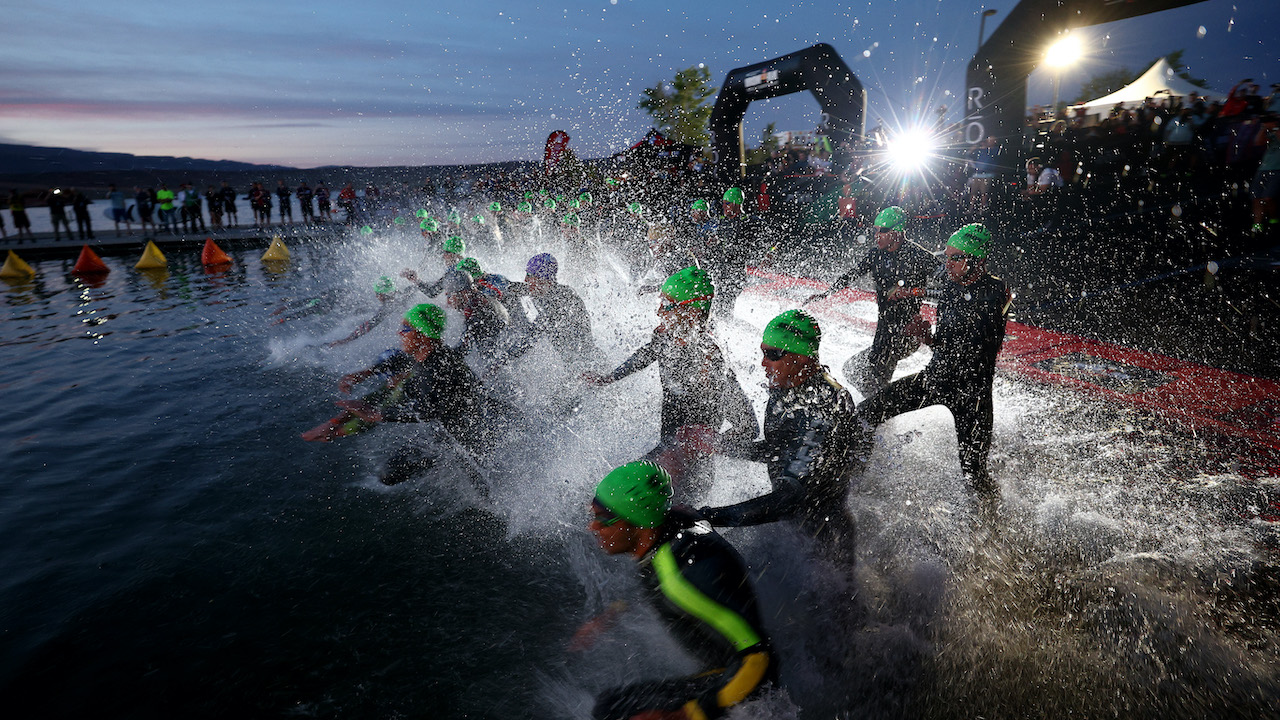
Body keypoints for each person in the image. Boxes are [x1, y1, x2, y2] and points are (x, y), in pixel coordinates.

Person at [584, 461, 776, 720]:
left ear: (638, 524)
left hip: (743, 687)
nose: (593, 527)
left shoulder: (679, 575)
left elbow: (759, 658)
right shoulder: (673, 524)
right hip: (726, 674)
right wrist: (613, 612)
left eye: (604, 519)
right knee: (612, 705)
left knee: (616, 712)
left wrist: (685, 715)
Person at [854, 223, 1011, 519]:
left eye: (955, 258)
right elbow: (945, 340)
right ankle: (855, 485)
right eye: (947, 257)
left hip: (972, 394)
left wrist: (929, 337)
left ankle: (993, 522)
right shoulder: (952, 283)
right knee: (865, 413)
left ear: (976, 261)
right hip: (935, 378)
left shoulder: (995, 292)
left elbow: (974, 345)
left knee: (973, 473)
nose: (947, 265)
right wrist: (924, 332)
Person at [697, 310, 859, 563]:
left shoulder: (824, 406)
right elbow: (781, 450)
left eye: (773, 354)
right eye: (763, 352)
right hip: (796, 530)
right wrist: (721, 446)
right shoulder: (787, 386)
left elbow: (792, 499)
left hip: (823, 545)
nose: (764, 363)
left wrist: (709, 516)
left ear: (804, 357)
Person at [583, 266, 756, 499]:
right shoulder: (667, 336)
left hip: (689, 477)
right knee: (607, 499)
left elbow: (748, 426)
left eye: (665, 305)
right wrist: (610, 377)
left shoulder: (710, 360)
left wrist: (714, 441)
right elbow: (646, 353)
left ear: (691, 313)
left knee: (613, 500)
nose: (658, 312)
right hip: (665, 458)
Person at [302, 304, 501, 488]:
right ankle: (440, 461)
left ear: (423, 334)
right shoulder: (424, 356)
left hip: (473, 437)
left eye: (406, 328)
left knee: (390, 473)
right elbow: (396, 364)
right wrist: (362, 375)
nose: (399, 332)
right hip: (451, 428)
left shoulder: (438, 368)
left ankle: (446, 462)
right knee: (387, 473)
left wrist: (377, 415)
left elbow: (430, 411)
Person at [805, 206, 940, 396]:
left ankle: (884, 413)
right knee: (854, 371)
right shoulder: (876, 254)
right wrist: (826, 293)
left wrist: (911, 292)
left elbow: (951, 289)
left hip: (904, 335)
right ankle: (885, 410)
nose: (877, 236)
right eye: (875, 231)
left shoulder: (918, 256)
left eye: (883, 231)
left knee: (872, 383)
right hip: (884, 332)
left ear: (898, 232)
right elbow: (852, 274)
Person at [503, 253, 602, 369]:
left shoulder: (561, 301)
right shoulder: (544, 289)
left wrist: (504, 359)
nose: (526, 279)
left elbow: (532, 335)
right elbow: (518, 288)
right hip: (577, 363)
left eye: (530, 275)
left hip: (588, 365)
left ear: (543, 279)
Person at [325, 276, 415, 348]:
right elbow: (416, 286)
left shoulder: (389, 305)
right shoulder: (403, 294)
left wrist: (346, 340)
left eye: (376, 294)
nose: (376, 297)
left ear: (380, 294)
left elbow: (369, 325)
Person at [401, 235, 467, 297]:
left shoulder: (454, 274)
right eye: (443, 252)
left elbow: (432, 292)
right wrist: (416, 280)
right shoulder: (467, 267)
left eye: (446, 252)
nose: (443, 256)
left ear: (455, 255)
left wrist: (416, 280)